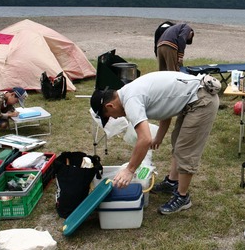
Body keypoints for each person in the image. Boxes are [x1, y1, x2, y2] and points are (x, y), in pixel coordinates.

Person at [90, 71, 219, 215]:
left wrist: (129, 170)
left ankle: (183, 197)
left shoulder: (131, 100)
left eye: (108, 117)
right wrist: (159, 136)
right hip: (193, 98)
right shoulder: (128, 92)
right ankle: (172, 182)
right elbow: (166, 108)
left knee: (185, 150)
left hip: (202, 101)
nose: (113, 118)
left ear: (110, 106)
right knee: (178, 142)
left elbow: (144, 139)